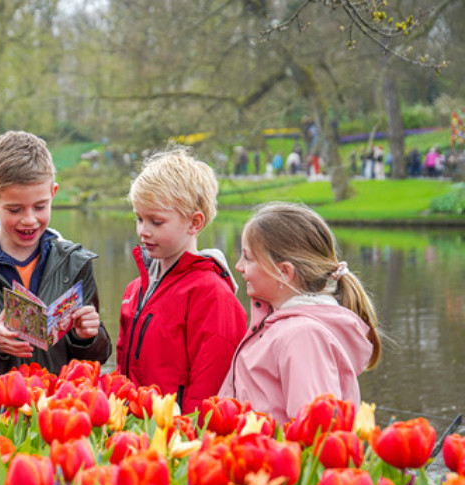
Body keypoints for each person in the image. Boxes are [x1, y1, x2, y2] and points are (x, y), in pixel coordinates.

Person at [0, 130, 111, 376]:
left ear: (53, 194)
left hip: (57, 408)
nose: (29, 220)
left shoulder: (75, 263)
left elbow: (96, 358)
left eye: (40, 206)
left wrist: (88, 337)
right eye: (15, 209)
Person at [219, 202, 381, 424]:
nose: (238, 266)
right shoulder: (278, 324)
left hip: (273, 458)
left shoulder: (303, 336)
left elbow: (314, 433)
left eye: (248, 258)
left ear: (284, 272)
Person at [116, 148, 248, 414]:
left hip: (177, 437)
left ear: (194, 223)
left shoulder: (211, 294)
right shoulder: (136, 288)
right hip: (135, 430)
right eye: (139, 219)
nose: (143, 231)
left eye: (156, 221)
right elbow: (122, 368)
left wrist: (188, 436)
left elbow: (209, 391)